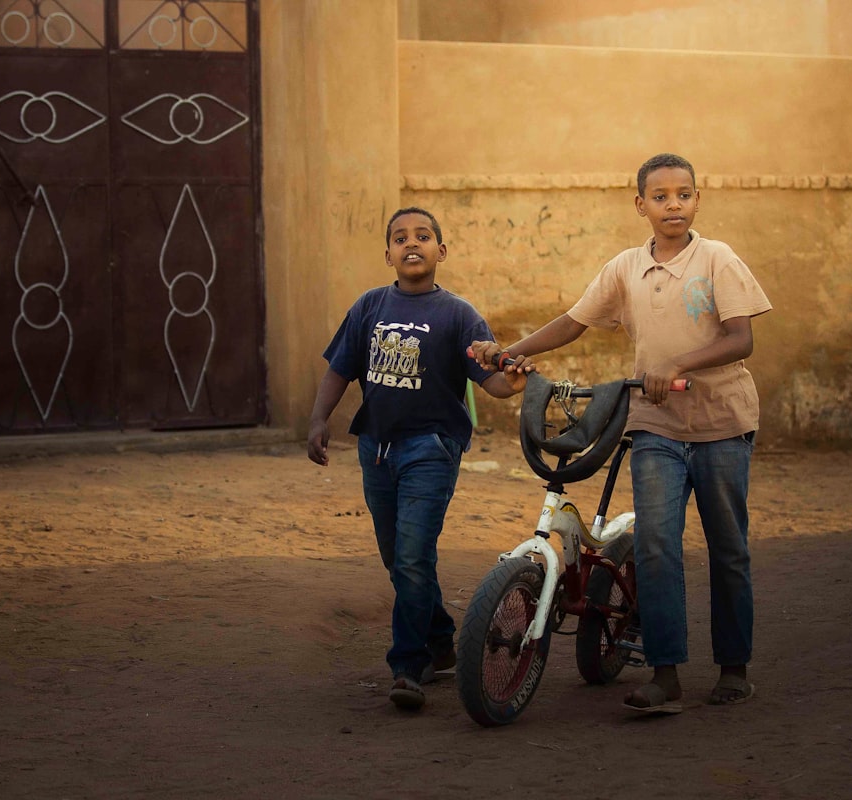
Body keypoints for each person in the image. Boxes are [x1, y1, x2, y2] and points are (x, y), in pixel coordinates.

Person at [472, 153, 772, 714]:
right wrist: (512, 351)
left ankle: (734, 667)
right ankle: (665, 675)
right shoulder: (626, 268)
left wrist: (680, 364)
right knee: (657, 547)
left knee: (728, 547)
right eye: (660, 197)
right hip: (654, 424)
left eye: (683, 194)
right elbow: (573, 321)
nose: (673, 205)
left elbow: (740, 339)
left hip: (722, 425)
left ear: (697, 200)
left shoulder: (718, 260)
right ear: (641, 206)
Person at [307, 206, 534, 711]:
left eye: (424, 236)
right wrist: (319, 419)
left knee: (412, 556)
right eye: (401, 237)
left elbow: (490, 379)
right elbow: (339, 370)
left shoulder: (458, 314)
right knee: (398, 557)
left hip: (431, 448)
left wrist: (509, 382)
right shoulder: (369, 306)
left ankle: (408, 666)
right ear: (387, 253)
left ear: (441, 251)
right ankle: (439, 639)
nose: (413, 244)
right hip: (377, 449)